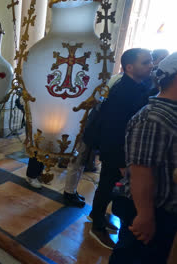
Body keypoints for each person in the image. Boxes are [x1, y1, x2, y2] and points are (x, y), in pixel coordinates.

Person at [109, 52, 177, 264]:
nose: (149, 66)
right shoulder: (152, 118)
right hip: (154, 212)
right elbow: (142, 172)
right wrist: (145, 215)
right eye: (144, 62)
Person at [89, 48, 154, 249]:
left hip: (122, 150)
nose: (151, 65)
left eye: (150, 61)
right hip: (116, 150)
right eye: (146, 62)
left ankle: (96, 215)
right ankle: (97, 227)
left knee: (107, 186)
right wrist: (119, 161)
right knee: (107, 186)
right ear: (129, 67)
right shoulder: (124, 91)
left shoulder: (136, 86)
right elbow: (114, 128)